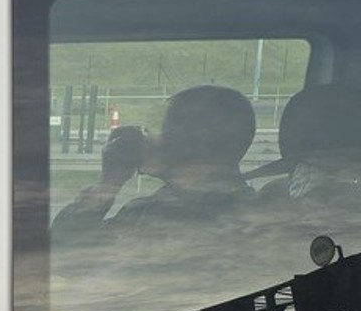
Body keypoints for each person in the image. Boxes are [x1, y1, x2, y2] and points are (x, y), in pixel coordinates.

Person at [51, 84, 257, 245]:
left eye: (163, 127)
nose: (149, 137)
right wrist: (109, 182)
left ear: (196, 139)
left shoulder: (160, 215)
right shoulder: (250, 211)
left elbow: (64, 254)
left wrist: (108, 183)